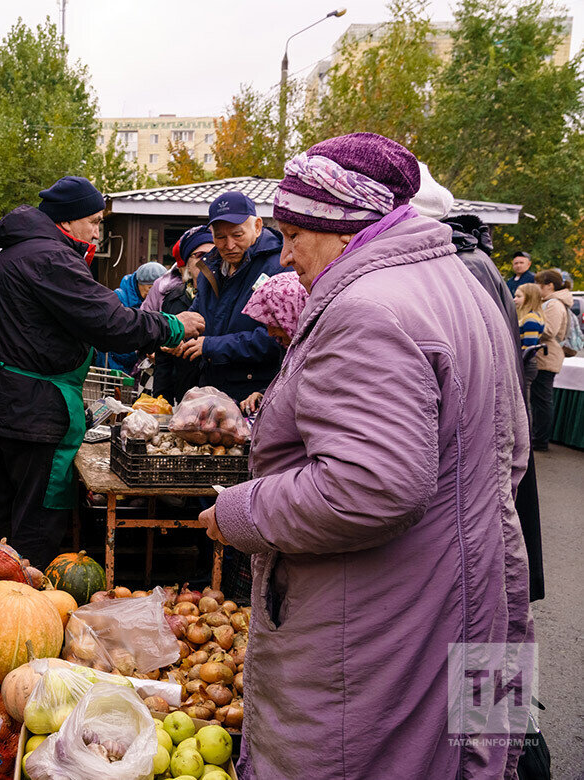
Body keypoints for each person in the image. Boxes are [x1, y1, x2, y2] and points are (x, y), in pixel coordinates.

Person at [200, 133, 532, 779]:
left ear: (345, 224)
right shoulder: (462, 288)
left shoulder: (367, 308)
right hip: (475, 588)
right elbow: (509, 453)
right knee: (468, 754)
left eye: (296, 233)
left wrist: (240, 512)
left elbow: (369, 487)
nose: (286, 253)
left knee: (360, 756)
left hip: (378, 619)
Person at [0, 175, 202, 568]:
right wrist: (173, 325)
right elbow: (110, 323)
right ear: (67, 220)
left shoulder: (17, 251)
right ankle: (20, 605)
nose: (98, 231)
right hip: (34, 411)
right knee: (36, 518)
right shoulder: (51, 258)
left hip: (6, 402)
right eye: (94, 221)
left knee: (2, 508)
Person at [411, 164, 545, 603]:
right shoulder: (467, 260)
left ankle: (493, 674)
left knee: (485, 595)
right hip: (476, 451)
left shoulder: (464, 265)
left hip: (477, 451)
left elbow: (478, 371)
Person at [169, 191, 289, 403]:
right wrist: (178, 337)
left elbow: (277, 339)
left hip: (254, 395)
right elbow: (199, 318)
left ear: (258, 226)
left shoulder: (278, 269)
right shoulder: (210, 267)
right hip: (212, 391)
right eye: (220, 237)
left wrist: (210, 346)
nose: (229, 245)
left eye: (237, 235)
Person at [151, 226, 214, 402]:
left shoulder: (226, 297)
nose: (207, 260)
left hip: (219, 396)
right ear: (187, 264)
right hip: (184, 394)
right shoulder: (174, 299)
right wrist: (162, 400)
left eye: (213, 253)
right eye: (200, 255)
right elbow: (163, 357)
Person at [236, 272, 308, 414]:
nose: (270, 333)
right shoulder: (289, 346)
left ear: (293, 314)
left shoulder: (317, 350)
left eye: (276, 324)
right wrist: (263, 395)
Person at [94, 261, 169, 373]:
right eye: (149, 288)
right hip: (114, 363)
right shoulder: (119, 297)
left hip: (137, 363)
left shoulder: (156, 302)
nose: (152, 292)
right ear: (139, 283)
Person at [531, 268, 574, 451]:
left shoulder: (554, 304)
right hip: (545, 355)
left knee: (542, 401)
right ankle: (538, 437)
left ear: (549, 286)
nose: (536, 289)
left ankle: (540, 440)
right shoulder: (551, 302)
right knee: (540, 400)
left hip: (547, 356)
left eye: (539, 285)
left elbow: (549, 331)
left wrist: (528, 323)